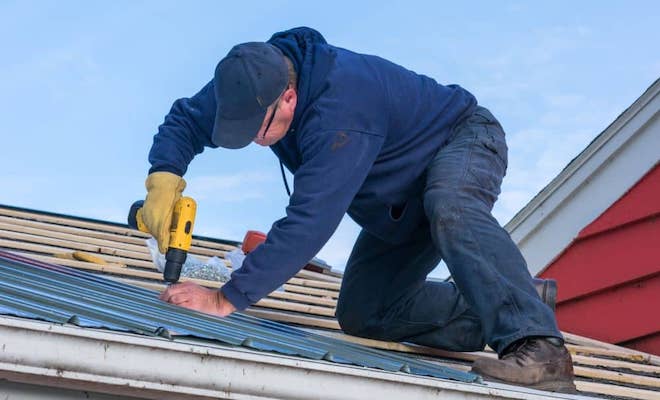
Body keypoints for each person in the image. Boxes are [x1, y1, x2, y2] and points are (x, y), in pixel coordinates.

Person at [142, 27, 576, 392]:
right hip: (397, 196)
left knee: (451, 205)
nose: (255, 139)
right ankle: (520, 298)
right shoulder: (251, 81)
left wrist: (225, 298)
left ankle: (541, 352)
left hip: (460, 141)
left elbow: (311, 220)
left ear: (289, 97)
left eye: (260, 129)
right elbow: (186, 119)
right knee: (364, 313)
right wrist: (163, 178)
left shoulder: (340, 109)